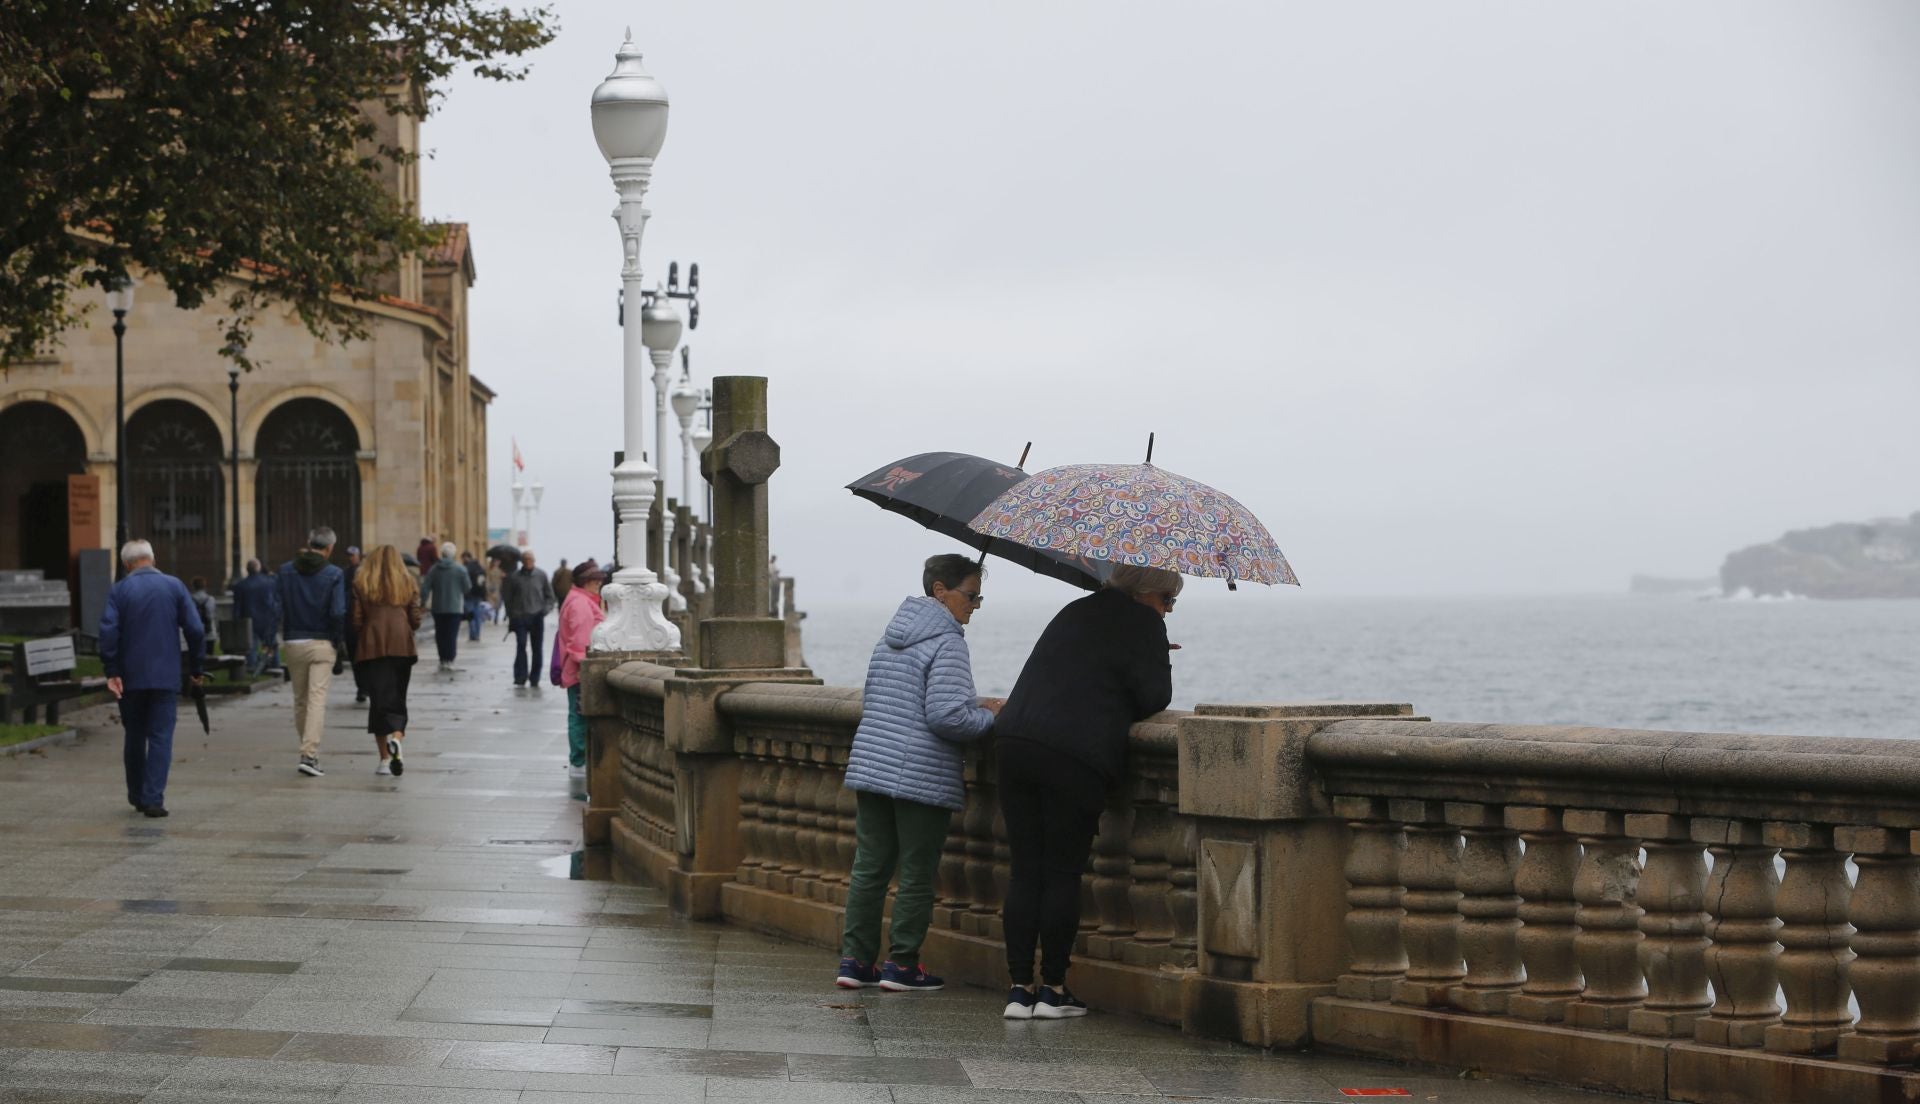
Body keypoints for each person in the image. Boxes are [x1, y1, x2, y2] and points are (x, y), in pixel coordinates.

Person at [992, 564, 1178, 1020]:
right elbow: (1155, 696)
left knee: (1024, 872)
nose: (1168, 609)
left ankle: (1019, 990)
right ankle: (1053, 989)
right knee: (1060, 873)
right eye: (1168, 601)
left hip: (1014, 743)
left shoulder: (1075, 608)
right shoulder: (1145, 623)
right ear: (1146, 594)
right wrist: (1156, 653)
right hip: (1072, 756)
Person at [834, 554, 1001, 994]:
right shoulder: (947, 641)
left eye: (979, 596)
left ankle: (855, 962)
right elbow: (947, 717)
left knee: (869, 867)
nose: (975, 605)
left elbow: (883, 701)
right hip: (921, 774)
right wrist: (990, 719)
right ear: (940, 591)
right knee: (915, 872)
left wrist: (973, 704)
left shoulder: (890, 637)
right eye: (970, 595)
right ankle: (902, 965)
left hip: (873, 764)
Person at [99, 540, 205, 818]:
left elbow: (108, 633)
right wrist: (196, 668)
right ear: (153, 559)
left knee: (134, 735)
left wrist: (111, 670)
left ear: (126, 565)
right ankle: (153, 799)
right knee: (160, 736)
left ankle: (136, 794)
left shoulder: (119, 591)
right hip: (165, 676)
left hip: (130, 677)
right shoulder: (174, 586)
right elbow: (195, 629)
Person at [277, 526, 347, 777]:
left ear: (309, 543)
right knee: (317, 699)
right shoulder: (334, 574)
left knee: (300, 699)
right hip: (322, 642)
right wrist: (337, 641)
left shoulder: (285, 571)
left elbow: (277, 605)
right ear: (329, 548)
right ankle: (309, 753)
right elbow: (338, 612)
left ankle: (307, 749)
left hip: (294, 641)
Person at [350, 545, 422, 778]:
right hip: (402, 646)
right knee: (398, 697)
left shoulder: (362, 582)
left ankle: (383, 759)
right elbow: (415, 618)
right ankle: (397, 738)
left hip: (373, 647)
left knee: (378, 702)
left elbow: (356, 620)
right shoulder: (408, 582)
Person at [554, 561, 606, 779]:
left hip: (576, 669)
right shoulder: (580, 604)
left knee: (576, 714)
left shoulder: (579, 600)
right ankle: (578, 761)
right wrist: (584, 666)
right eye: (595, 580)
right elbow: (580, 641)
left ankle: (578, 760)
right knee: (578, 715)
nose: (598, 583)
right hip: (579, 671)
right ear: (586, 582)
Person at [501, 550, 556, 688]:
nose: (527, 562)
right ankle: (520, 676)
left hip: (537, 616)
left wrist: (545, 610)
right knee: (521, 645)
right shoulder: (514, 577)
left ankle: (535, 677)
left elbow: (550, 597)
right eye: (525, 559)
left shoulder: (541, 575)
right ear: (522, 561)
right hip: (519, 616)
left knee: (536, 648)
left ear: (534, 560)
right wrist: (510, 615)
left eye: (530, 559)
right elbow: (508, 598)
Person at [423, 542, 468, 667]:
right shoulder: (460, 569)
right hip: (455, 607)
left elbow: (425, 587)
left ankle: (442, 657)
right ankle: (450, 658)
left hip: (438, 607)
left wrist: (422, 603)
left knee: (440, 633)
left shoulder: (434, 570)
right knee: (451, 634)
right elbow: (467, 587)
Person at [231, 559, 279, 675]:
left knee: (251, 646)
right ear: (259, 568)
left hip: (249, 619)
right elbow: (276, 600)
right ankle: (274, 665)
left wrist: (236, 620)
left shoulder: (240, 585)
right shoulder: (270, 581)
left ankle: (252, 667)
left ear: (247, 569)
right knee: (271, 644)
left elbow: (237, 606)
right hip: (268, 619)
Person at [342, 546, 367, 704]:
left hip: (364, 623)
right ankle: (361, 687)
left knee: (364, 658)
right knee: (354, 658)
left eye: (353, 555)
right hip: (350, 621)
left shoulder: (366, 573)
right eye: (349, 555)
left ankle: (364, 687)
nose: (351, 558)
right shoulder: (344, 573)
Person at [186, 576, 218, 658]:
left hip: (195, 629)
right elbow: (212, 615)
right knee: (210, 654)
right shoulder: (210, 599)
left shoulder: (190, 599)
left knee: (196, 654)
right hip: (209, 630)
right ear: (204, 586)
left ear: (193, 586)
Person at [460, 551, 487, 641]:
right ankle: (477, 634)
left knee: (470, 616)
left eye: (463, 558)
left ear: (466, 557)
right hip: (478, 595)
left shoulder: (465, 568)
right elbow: (483, 582)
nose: (463, 560)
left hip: (469, 595)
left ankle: (472, 635)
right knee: (477, 615)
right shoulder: (480, 568)